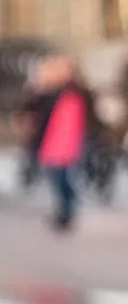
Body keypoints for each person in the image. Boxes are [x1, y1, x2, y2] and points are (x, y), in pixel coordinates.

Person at [25, 55, 97, 231]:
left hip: (73, 141)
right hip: (52, 142)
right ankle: (64, 210)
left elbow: (91, 116)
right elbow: (32, 110)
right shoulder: (49, 92)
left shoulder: (80, 92)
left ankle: (68, 209)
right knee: (56, 178)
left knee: (66, 178)